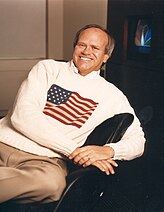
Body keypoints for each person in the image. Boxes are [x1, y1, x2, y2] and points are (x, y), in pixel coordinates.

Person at [0, 24, 145, 204]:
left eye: (95, 48)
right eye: (81, 45)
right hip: (4, 142)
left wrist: (109, 150)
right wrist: (73, 150)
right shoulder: (48, 68)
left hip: (45, 160)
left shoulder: (113, 96)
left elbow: (139, 141)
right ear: (74, 47)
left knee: (52, 184)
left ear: (106, 56)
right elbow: (23, 115)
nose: (86, 51)